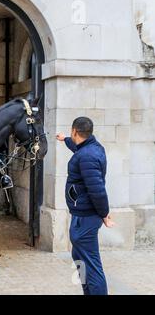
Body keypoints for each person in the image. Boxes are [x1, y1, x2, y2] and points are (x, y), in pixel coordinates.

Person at [56, 117, 115, 295]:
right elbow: (77, 147)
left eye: (71, 133)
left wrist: (105, 214)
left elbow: (97, 190)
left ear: (75, 131)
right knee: (79, 258)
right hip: (81, 215)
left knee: (91, 264)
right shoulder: (90, 148)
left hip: (86, 218)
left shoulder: (87, 156)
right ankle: (87, 291)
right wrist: (64, 139)